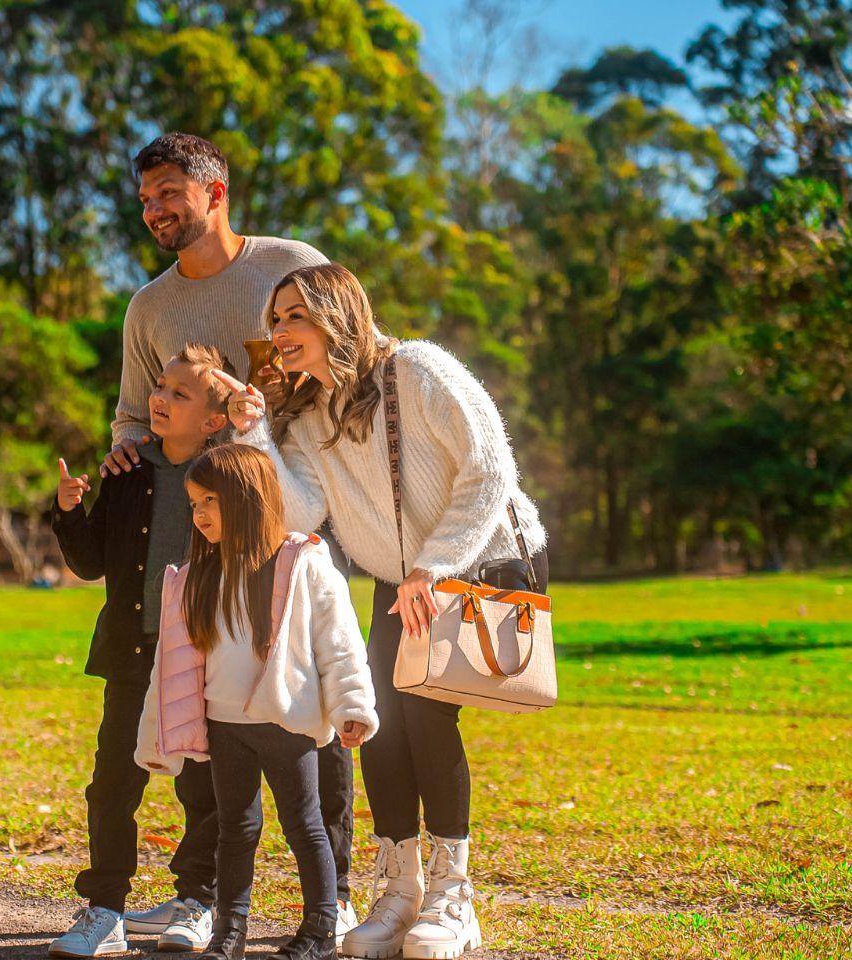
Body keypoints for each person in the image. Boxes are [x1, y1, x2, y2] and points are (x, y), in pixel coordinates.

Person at [214, 263, 549, 960]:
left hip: (476, 557)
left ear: (338, 315)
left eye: (293, 317)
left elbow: (491, 468)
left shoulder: (420, 369)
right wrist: (254, 435)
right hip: (405, 579)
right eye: (274, 321)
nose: (277, 334)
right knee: (378, 718)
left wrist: (435, 565)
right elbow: (300, 512)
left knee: (423, 709)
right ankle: (399, 890)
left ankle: (453, 900)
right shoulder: (308, 414)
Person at [104, 132, 360, 942]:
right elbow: (133, 416)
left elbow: (341, 368)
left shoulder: (290, 265)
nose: (155, 209)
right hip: (202, 530)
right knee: (211, 705)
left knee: (311, 701)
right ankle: (201, 894)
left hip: (298, 513)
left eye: (170, 192)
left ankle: (337, 893)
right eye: (146, 198)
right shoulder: (149, 306)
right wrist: (121, 450)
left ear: (216, 192)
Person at [135, 445, 379, 960]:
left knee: (305, 826)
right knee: (235, 830)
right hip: (226, 728)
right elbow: (171, 666)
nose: (197, 515)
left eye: (209, 502)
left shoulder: (303, 563)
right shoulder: (196, 576)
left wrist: (351, 707)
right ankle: (230, 930)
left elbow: (340, 642)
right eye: (193, 504)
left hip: (285, 725)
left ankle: (320, 928)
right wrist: (158, 736)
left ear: (246, 500)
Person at [48, 345, 236, 958]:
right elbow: (91, 562)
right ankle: (105, 910)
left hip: (205, 657)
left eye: (181, 393)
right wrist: (71, 513)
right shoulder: (125, 473)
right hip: (132, 654)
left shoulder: (230, 477)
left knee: (202, 787)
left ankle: (197, 902)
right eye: (160, 386)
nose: (160, 398)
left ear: (214, 418)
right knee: (112, 786)